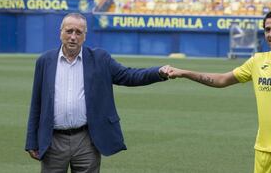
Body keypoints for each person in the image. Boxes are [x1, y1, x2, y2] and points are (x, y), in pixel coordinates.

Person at [167, 10, 271, 173]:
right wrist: (186, 73)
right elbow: (222, 80)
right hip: (262, 150)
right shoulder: (257, 61)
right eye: (267, 29)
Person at [25, 13, 171, 172]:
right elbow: (36, 103)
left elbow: (129, 76)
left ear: (85, 36)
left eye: (78, 32)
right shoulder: (45, 61)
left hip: (86, 140)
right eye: (69, 31)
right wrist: (31, 141)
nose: (73, 37)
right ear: (61, 32)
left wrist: (159, 72)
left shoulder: (100, 59)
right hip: (53, 141)